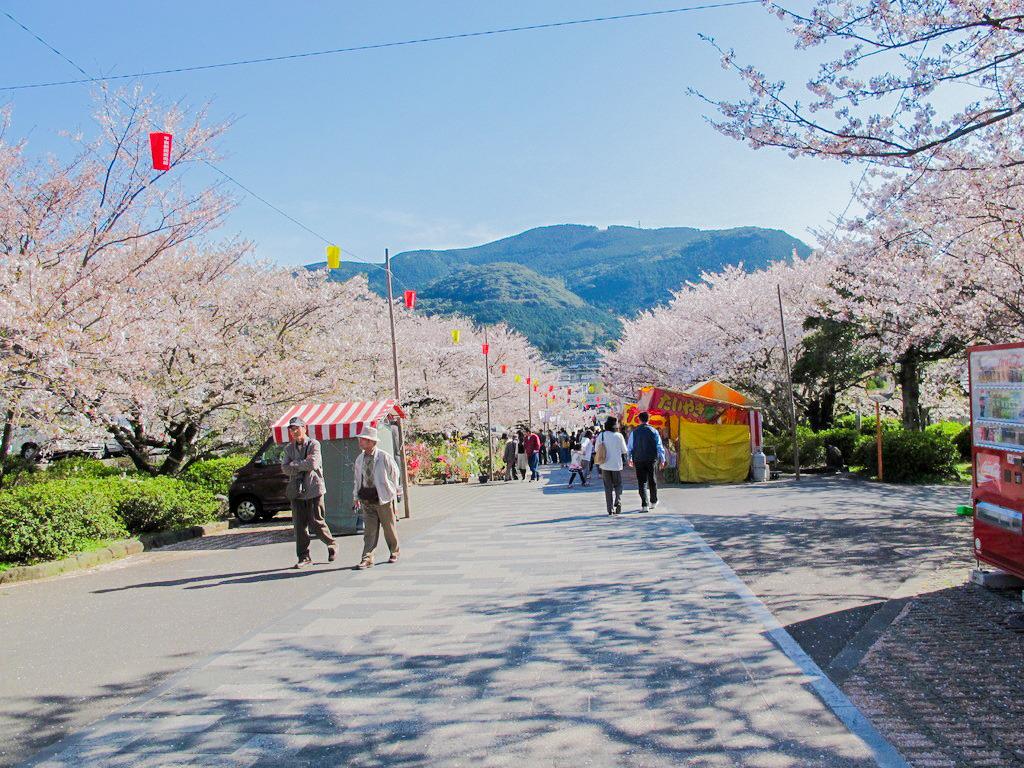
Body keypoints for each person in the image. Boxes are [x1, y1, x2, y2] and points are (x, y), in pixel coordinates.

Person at [282, 416, 336, 568]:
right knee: (299, 525)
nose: (294, 432)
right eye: (292, 429)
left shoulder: (314, 444)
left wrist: (296, 464)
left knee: (316, 521)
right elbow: (285, 468)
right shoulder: (289, 448)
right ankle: (304, 556)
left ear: (304, 428)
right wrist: (300, 464)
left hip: (313, 487)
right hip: (296, 490)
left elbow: (313, 463)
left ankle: (331, 544)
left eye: (297, 428)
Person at [353, 426, 401, 570]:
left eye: (364, 439)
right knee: (369, 531)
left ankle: (394, 551)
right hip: (367, 497)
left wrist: (393, 491)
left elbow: (395, 474)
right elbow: (357, 479)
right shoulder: (360, 459)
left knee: (389, 527)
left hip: (384, 498)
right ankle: (367, 558)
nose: (360, 442)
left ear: (372, 442)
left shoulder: (383, 456)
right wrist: (355, 495)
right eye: (361, 439)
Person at [628, 411, 666, 513]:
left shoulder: (634, 432)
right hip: (651, 458)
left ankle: (644, 505)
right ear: (648, 420)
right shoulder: (654, 431)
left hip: (638, 459)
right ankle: (653, 501)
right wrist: (663, 459)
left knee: (642, 481)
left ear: (639, 420)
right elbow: (659, 446)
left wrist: (629, 458)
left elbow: (630, 447)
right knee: (652, 479)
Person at [594, 416, 628, 515]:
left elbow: (596, 449)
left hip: (604, 465)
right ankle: (618, 500)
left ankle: (610, 509)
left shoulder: (602, 435)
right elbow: (624, 450)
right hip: (616, 465)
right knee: (618, 484)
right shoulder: (619, 436)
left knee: (608, 487)